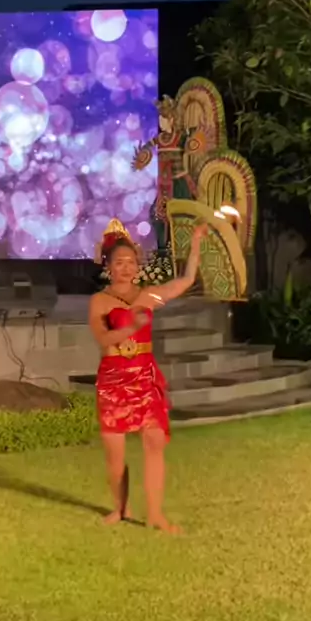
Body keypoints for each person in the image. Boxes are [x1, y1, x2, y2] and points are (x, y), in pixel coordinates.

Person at [89, 222, 207, 534]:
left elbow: (186, 280)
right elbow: (103, 338)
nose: (126, 268)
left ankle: (155, 514)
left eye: (131, 262)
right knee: (115, 454)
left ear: (138, 265)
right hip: (114, 380)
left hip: (144, 377)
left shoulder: (149, 296)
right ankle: (121, 508)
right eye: (119, 262)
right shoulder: (100, 301)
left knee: (154, 442)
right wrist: (130, 327)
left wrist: (195, 242)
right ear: (108, 266)